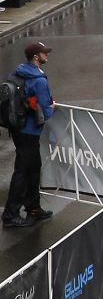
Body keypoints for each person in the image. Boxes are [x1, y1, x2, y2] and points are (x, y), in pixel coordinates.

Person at [3, 42, 54, 227]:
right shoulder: (39, 80)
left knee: (33, 167)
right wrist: (52, 108)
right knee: (23, 172)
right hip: (29, 131)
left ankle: (33, 207)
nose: (47, 55)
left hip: (18, 128)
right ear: (36, 57)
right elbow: (45, 110)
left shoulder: (20, 72)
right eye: (44, 53)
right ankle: (10, 215)